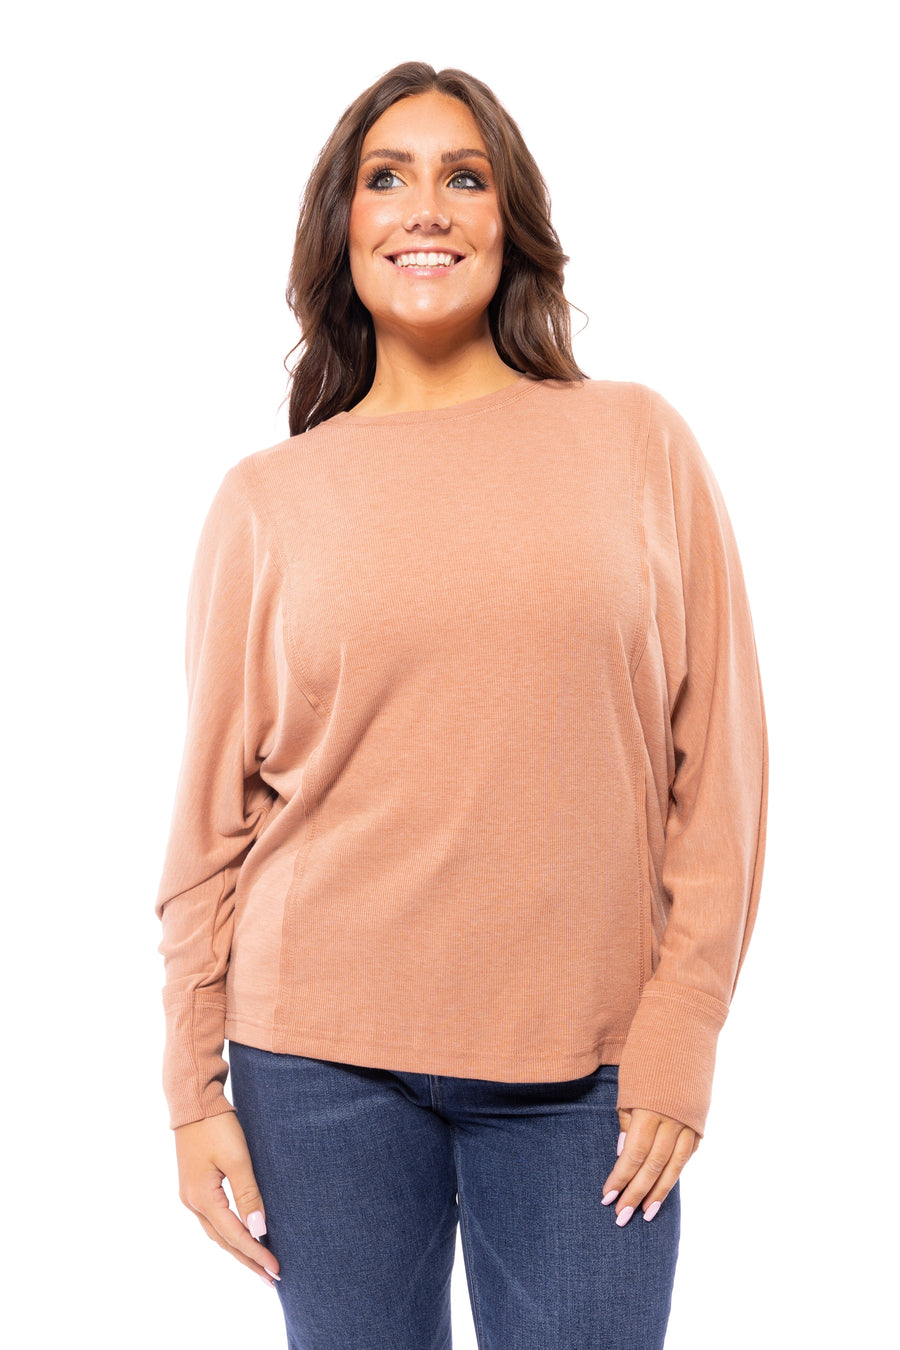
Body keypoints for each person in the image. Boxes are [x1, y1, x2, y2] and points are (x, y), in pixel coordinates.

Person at [155, 60, 768, 1350]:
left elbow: (721, 762)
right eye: (387, 178)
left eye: (464, 177)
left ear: (510, 222)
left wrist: (685, 1027)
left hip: (590, 1067)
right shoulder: (268, 500)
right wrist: (191, 1082)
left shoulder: (637, 442)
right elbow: (211, 819)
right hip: (314, 1062)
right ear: (344, 229)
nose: (425, 207)